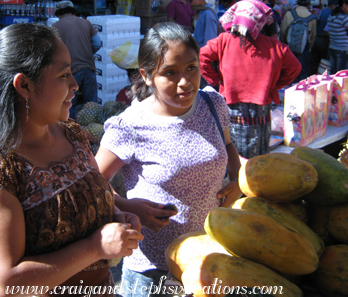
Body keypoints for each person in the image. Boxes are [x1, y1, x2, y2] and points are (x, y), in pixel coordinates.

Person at [0, 24, 143, 297]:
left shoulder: (72, 134)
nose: (75, 85)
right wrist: (95, 247)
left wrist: (115, 215)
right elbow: (6, 284)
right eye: (64, 75)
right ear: (24, 85)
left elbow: (86, 196)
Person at [95, 22, 242, 297]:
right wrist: (126, 206)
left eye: (191, 68)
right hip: (152, 270)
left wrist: (238, 180)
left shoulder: (213, 105)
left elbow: (229, 145)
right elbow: (91, 181)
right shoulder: (130, 125)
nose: (185, 81)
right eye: (170, 73)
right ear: (147, 75)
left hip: (210, 258)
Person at [200, 0, 301, 159]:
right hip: (261, 109)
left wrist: (217, 81)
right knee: (259, 153)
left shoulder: (223, 41)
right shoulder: (274, 45)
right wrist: (273, 86)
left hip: (231, 105)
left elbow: (202, 58)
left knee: (232, 151)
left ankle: (236, 179)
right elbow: (295, 68)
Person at [51, 0, 102, 117]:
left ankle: (72, 133)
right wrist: (88, 52)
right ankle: (94, 132)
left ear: (58, 14)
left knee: (69, 106)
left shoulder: (54, 27)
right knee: (92, 105)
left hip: (70, 72)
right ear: (73, 12)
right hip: (89, 68)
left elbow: (52, 52)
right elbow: (97, 43)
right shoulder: (86, 23)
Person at [280, 0, 317, 81]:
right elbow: (313, 36)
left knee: (288, 71)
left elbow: (283, 31)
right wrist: (309, 48)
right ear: (309, 4)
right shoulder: (312, 18)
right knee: (302, 72)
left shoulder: (289, 14)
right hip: (304, 50)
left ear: (297, 2)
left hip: (289, 48)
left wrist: (284, 44)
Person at [325, 0, 348, 74]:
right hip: (342, 50)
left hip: (333, 48)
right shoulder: (344, 18)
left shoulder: (332, 15)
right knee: (341, 74)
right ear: (344, 5)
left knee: (333, 74)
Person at [311, 0, 338, 75]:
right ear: (333, 5)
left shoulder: (320, 11)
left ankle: (311, 78)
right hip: (324, 41)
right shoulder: (332, 14)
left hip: (315, 39)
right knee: (323, 62)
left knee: (313, 61)